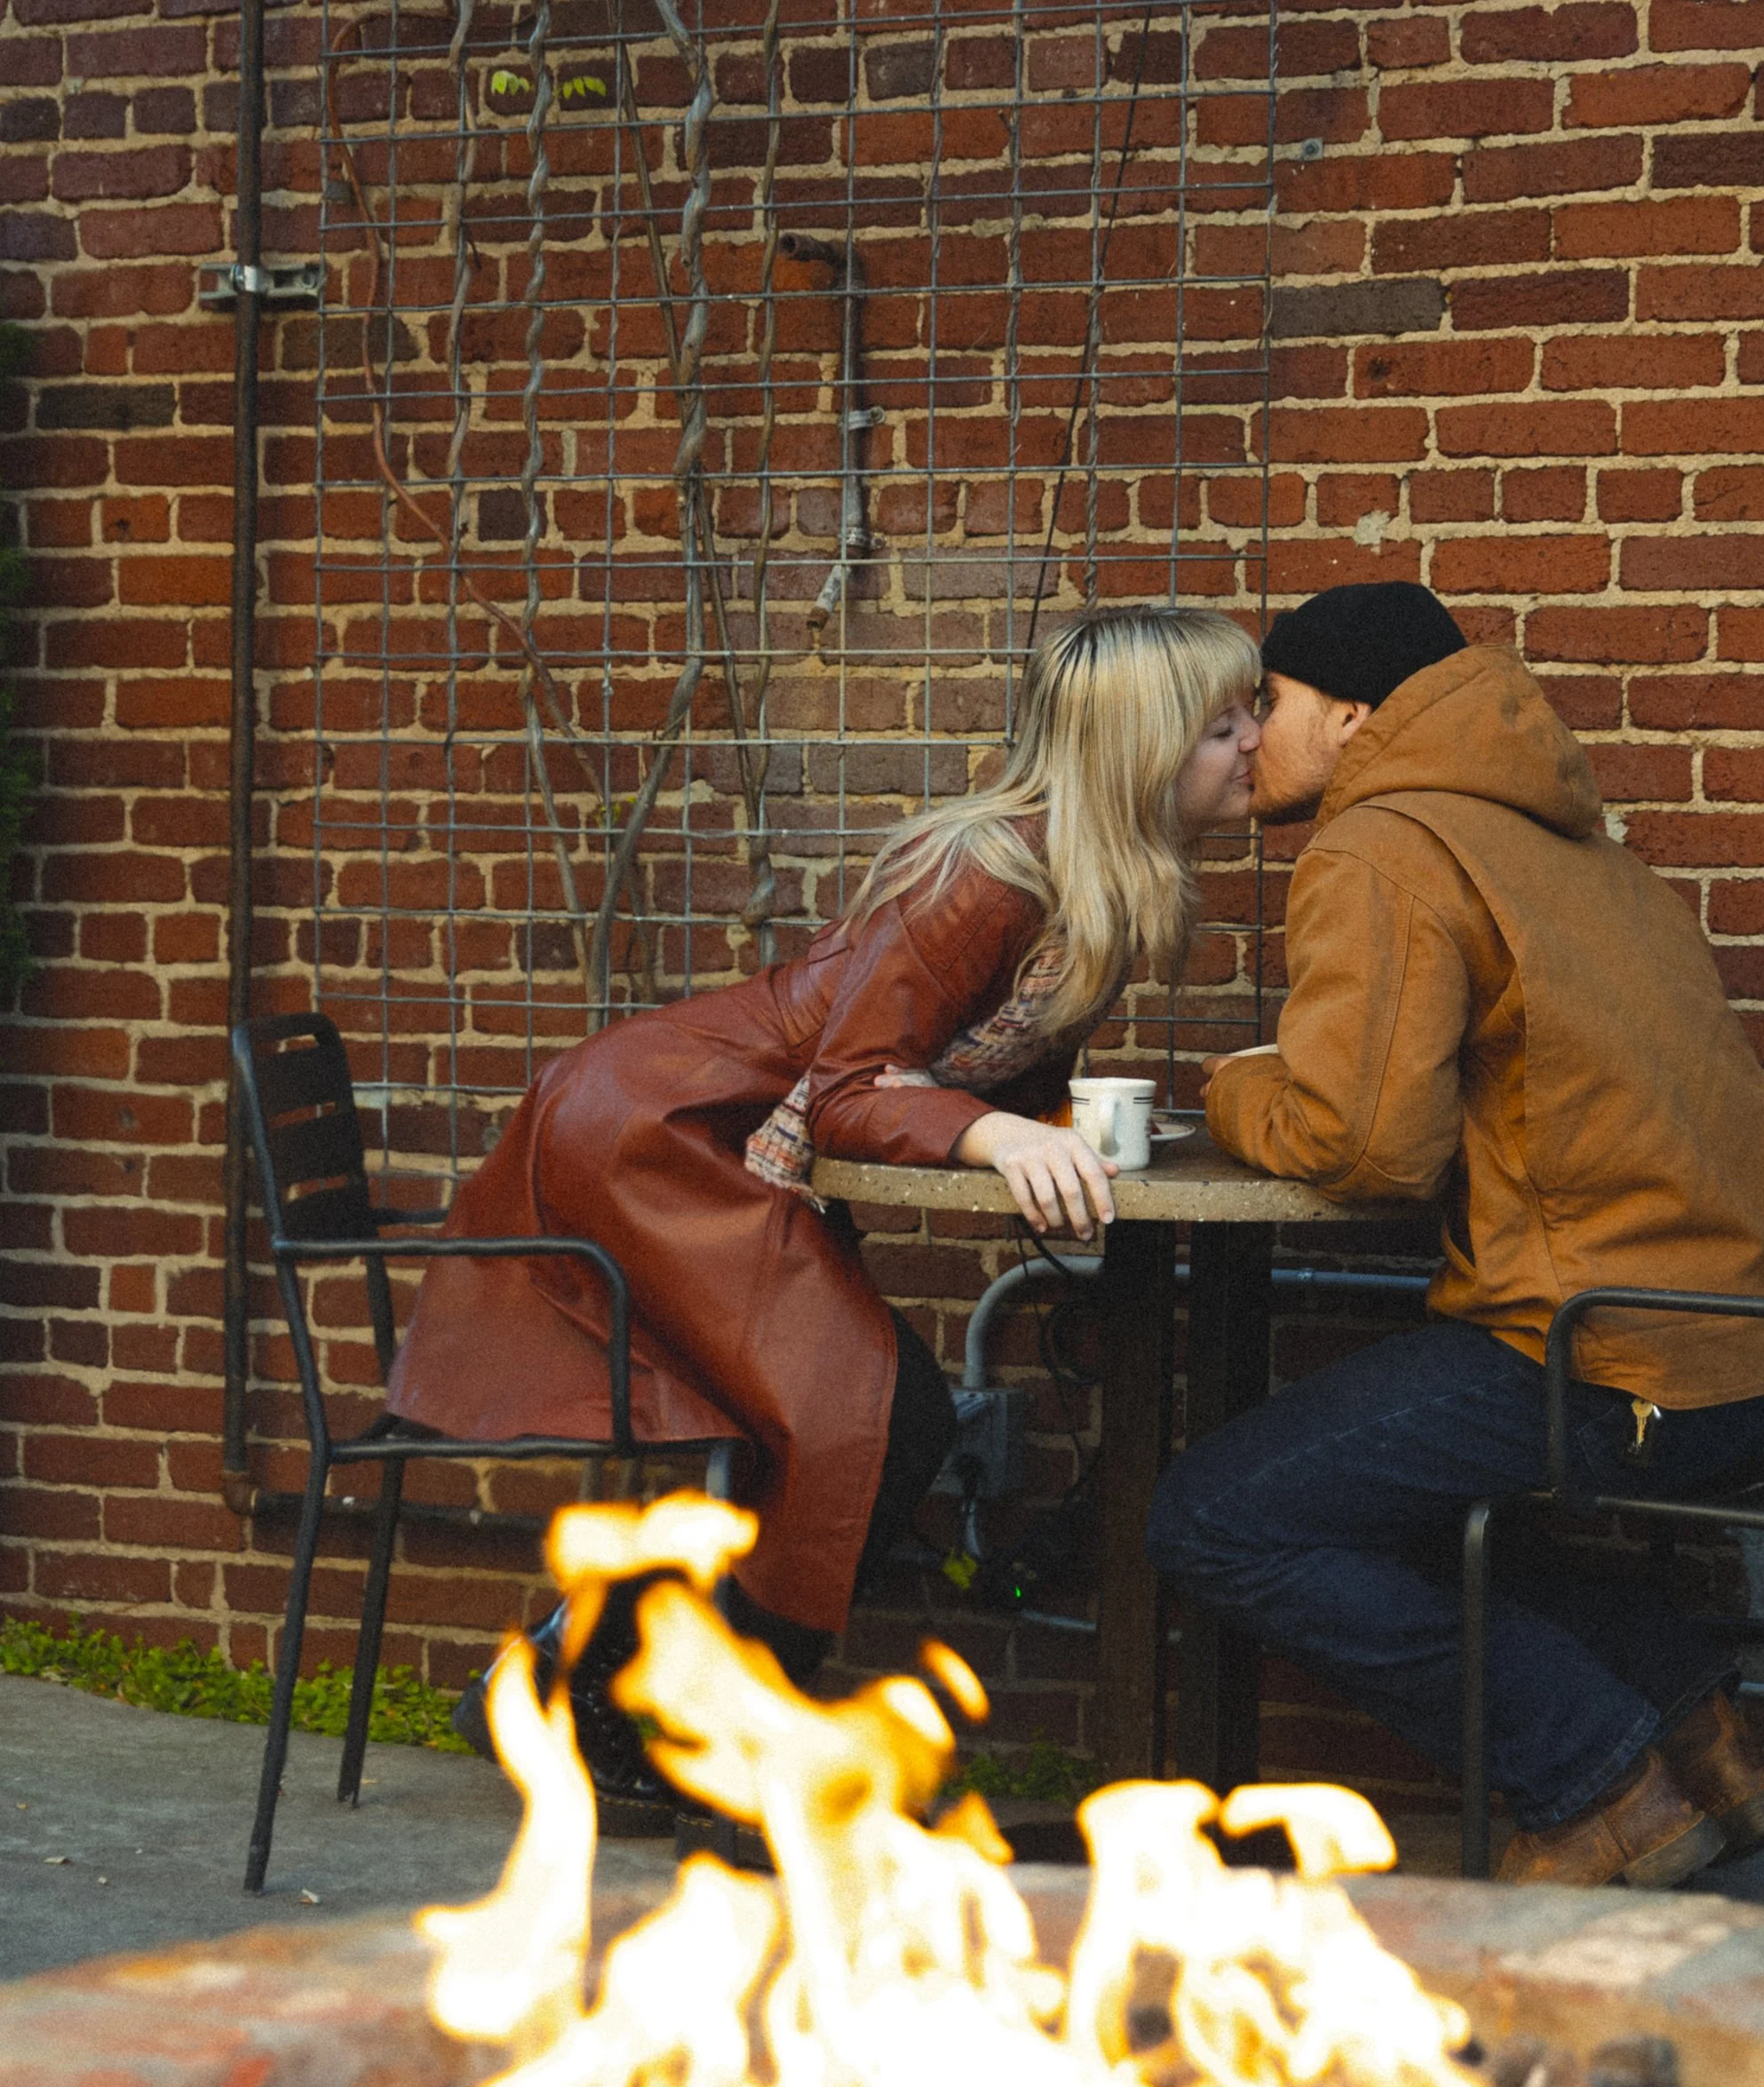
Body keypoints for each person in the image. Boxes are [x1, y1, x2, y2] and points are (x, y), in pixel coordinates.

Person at [386, 604, 1260, 1823]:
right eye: (1225, 724)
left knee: (837, 1420)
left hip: (712, 1132)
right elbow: (853, 1088)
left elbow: (978, 1053)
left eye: (1253, 716)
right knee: (870, 1413)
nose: (1256, 744)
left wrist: (1047, 1122)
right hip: (667, 1133)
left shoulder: (1089, 877)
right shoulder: (986, 878)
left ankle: (586, 1683)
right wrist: (997, 1134)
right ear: (1143, 748)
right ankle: (683, 1723)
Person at [1146, 580, 1764, 1890]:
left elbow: (1365, 1146)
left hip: (1609, 1351)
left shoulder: (1379, 844)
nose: (1249, 731)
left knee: (1217, 1516)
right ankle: (1699, 1729)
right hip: (1744, 1345)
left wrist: (1234, 1088)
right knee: (1376, 1490)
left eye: (1266, 703)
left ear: (1351, 715)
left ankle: (1592, 1782)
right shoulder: (1567, 835)